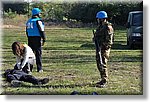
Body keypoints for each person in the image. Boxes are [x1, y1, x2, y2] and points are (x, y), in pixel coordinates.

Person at [94, 11, 114, 87]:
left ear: (102, 19)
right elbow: (98, 36)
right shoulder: (100, 26)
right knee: (99, 63)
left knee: (103, 63)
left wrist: (103, 46)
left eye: (99, 19)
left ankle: (105, 80)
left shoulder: (108, 27)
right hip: (99, 48)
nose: (97, 20)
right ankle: (102, 79)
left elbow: (109, 41)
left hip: (104, 48)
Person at [26, 8, 46, 73]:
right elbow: (41, 30)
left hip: (30, 38)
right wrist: (44, 38)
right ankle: (39, 68)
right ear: (37, 14)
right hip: (37, 38)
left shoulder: (28, 21)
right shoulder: (38, 21)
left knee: (30, 54)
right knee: (38, 53)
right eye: (39, 13)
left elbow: (26, 31)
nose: (40, 14)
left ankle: (29, 69)